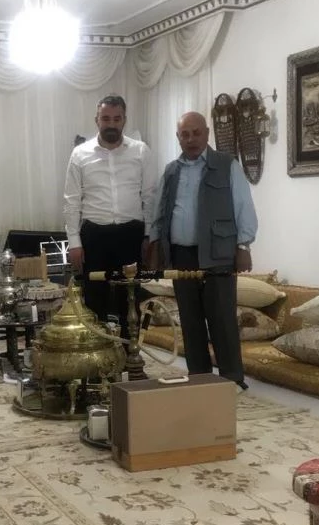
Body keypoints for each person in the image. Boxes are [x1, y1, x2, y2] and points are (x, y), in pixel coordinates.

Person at [148, 111, 258, 388]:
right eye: (185, 134)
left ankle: (232, 380)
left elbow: (243, 205)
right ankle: (200, 379)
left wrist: (243, 245)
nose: (191, 139)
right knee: (190, 320)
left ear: (207, 134)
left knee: (222, 319)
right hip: (182, 255)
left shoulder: (227, 165)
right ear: (178, 138)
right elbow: (159, 210)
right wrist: (154, 243)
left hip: (218, 254)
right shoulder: (171, 170)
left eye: (196, 133)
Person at [63, 95, 156, 338]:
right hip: (94, 235)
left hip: (130, 234)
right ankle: (98, 357)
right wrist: (74, 243)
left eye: (117, 118)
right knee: (95, 300)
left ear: (124, 119)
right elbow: (72, 201)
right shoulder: (80, 154)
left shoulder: (140, 151)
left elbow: (150, 196)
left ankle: (130, 353)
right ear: (97, 120)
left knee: (130, 298)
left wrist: (148, 236)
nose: (111, 124)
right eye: (106, 118)